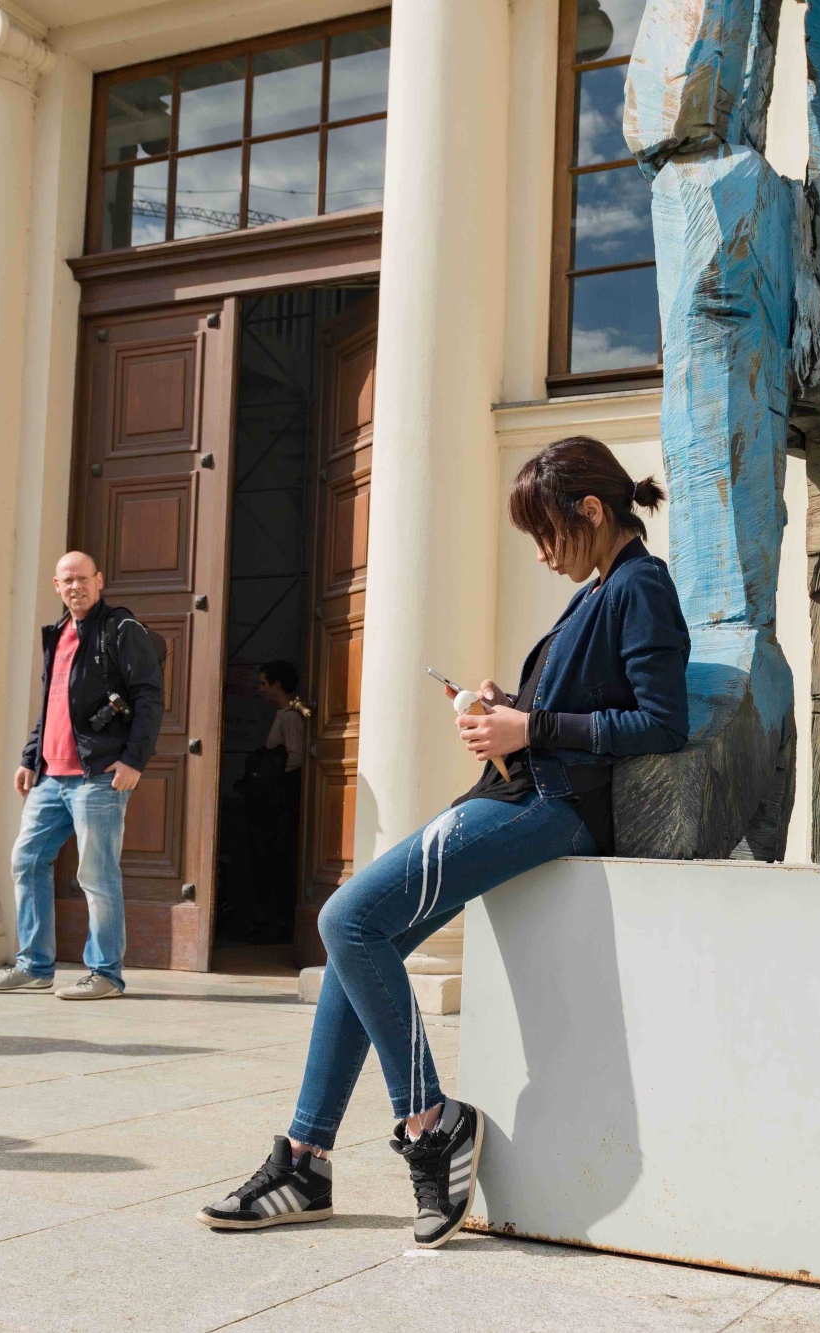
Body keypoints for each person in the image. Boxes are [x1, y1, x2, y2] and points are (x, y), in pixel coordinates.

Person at [198, 436, 689, 1246]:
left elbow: (661, 722)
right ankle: (305, 1159)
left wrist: (528, 725)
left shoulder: (641, 586)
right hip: (521, 792)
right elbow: (575, 706)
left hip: (549, 804)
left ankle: (431, 1123)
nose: (542, 554)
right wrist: (506, 706)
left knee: (347, 919)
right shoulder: (604, 587)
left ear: (593, 511)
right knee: (357, 947)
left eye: (548, 534)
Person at [0, 551, 164, 1001]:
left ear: (99, 581)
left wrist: (134, 760)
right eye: (67, 581)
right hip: (51, 776)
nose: (76, 586)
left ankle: (106, 973)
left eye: (83, 578)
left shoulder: (121, 629)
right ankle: (34, 966)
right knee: (27, 861)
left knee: (96, 875)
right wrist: (30, 757)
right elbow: (52, 705)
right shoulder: (59, 633)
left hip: (98, 776)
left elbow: (149, 696)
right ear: (56, 587)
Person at [227, 661, 308, 944]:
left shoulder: (290, 717)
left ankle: (278, 924)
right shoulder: (282, 715)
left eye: (264, 683)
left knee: (275, 860)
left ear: (277, 685)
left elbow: (295, 757)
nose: (260, 689)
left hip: (278, 803)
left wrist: (267, 779)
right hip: (270, 803)